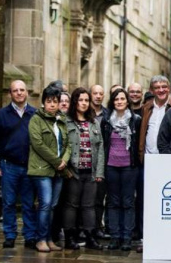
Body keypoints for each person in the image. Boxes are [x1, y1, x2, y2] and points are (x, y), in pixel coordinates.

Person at [0, 80, 37, 249]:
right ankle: (9, 235)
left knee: (29, 203)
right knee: (8, 203)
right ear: (10, 94)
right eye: (15, 90)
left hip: (29, 166)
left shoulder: (35, 114)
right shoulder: (2, 114)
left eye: (22, 90)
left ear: (27, 93)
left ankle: (30, 235)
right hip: (9, 166)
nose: (19, 93)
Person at [136, 75, 171, 252]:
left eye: (164, 87)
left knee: (168, 201)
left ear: (169, 88)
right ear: (152, 90)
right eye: (157, 87)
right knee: (146, 202)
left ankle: (168, 239)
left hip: (169, 162)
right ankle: (145, 238)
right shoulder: (146, 108)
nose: (161, 90)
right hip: (148, 161)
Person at [28, 86, 70, 252]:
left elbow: (68, 144)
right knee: (45, 204)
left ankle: (50, 239)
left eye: (55, 101)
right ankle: (41, 239)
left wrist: (64, 161)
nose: (52, 104)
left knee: (53, 205)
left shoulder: (62, 120)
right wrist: (56, 161)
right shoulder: (36, 119)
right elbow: (38, 144)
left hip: (58, 170)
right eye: (49, 101)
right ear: (43, 103)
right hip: (42, 169)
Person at [62, 87, 105, 251]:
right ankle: (69, 237)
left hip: (91, 172)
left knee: (89, 206)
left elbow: (100, 147)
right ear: (75, 102)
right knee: (71, 205)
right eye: (81, 100)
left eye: (86, 100)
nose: (84, 103)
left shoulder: (94, 122)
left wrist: (99, 172)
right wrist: (66, 170)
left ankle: (90, 237)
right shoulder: (66, 122)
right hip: (73, 172)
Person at [101, 88, 142, 251]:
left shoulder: (135, 120)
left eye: (122, 99)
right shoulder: (106, 120)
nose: (119, 101)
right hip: (111, 166)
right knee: (113, 202)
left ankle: (126, 238)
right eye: (116, 99)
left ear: (127, 101)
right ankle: (115, 237)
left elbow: (139, 143)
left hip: (129, 167)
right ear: (113, 102)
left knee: (128, 202)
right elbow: (104, 143)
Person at [90, 84, 109, 239]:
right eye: (95, 93)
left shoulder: (108, 115)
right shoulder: (82, 112)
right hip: (85, 160)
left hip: (102, 161)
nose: (98, 96)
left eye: (100, 93)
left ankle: (97, 227)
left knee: (99, 198)